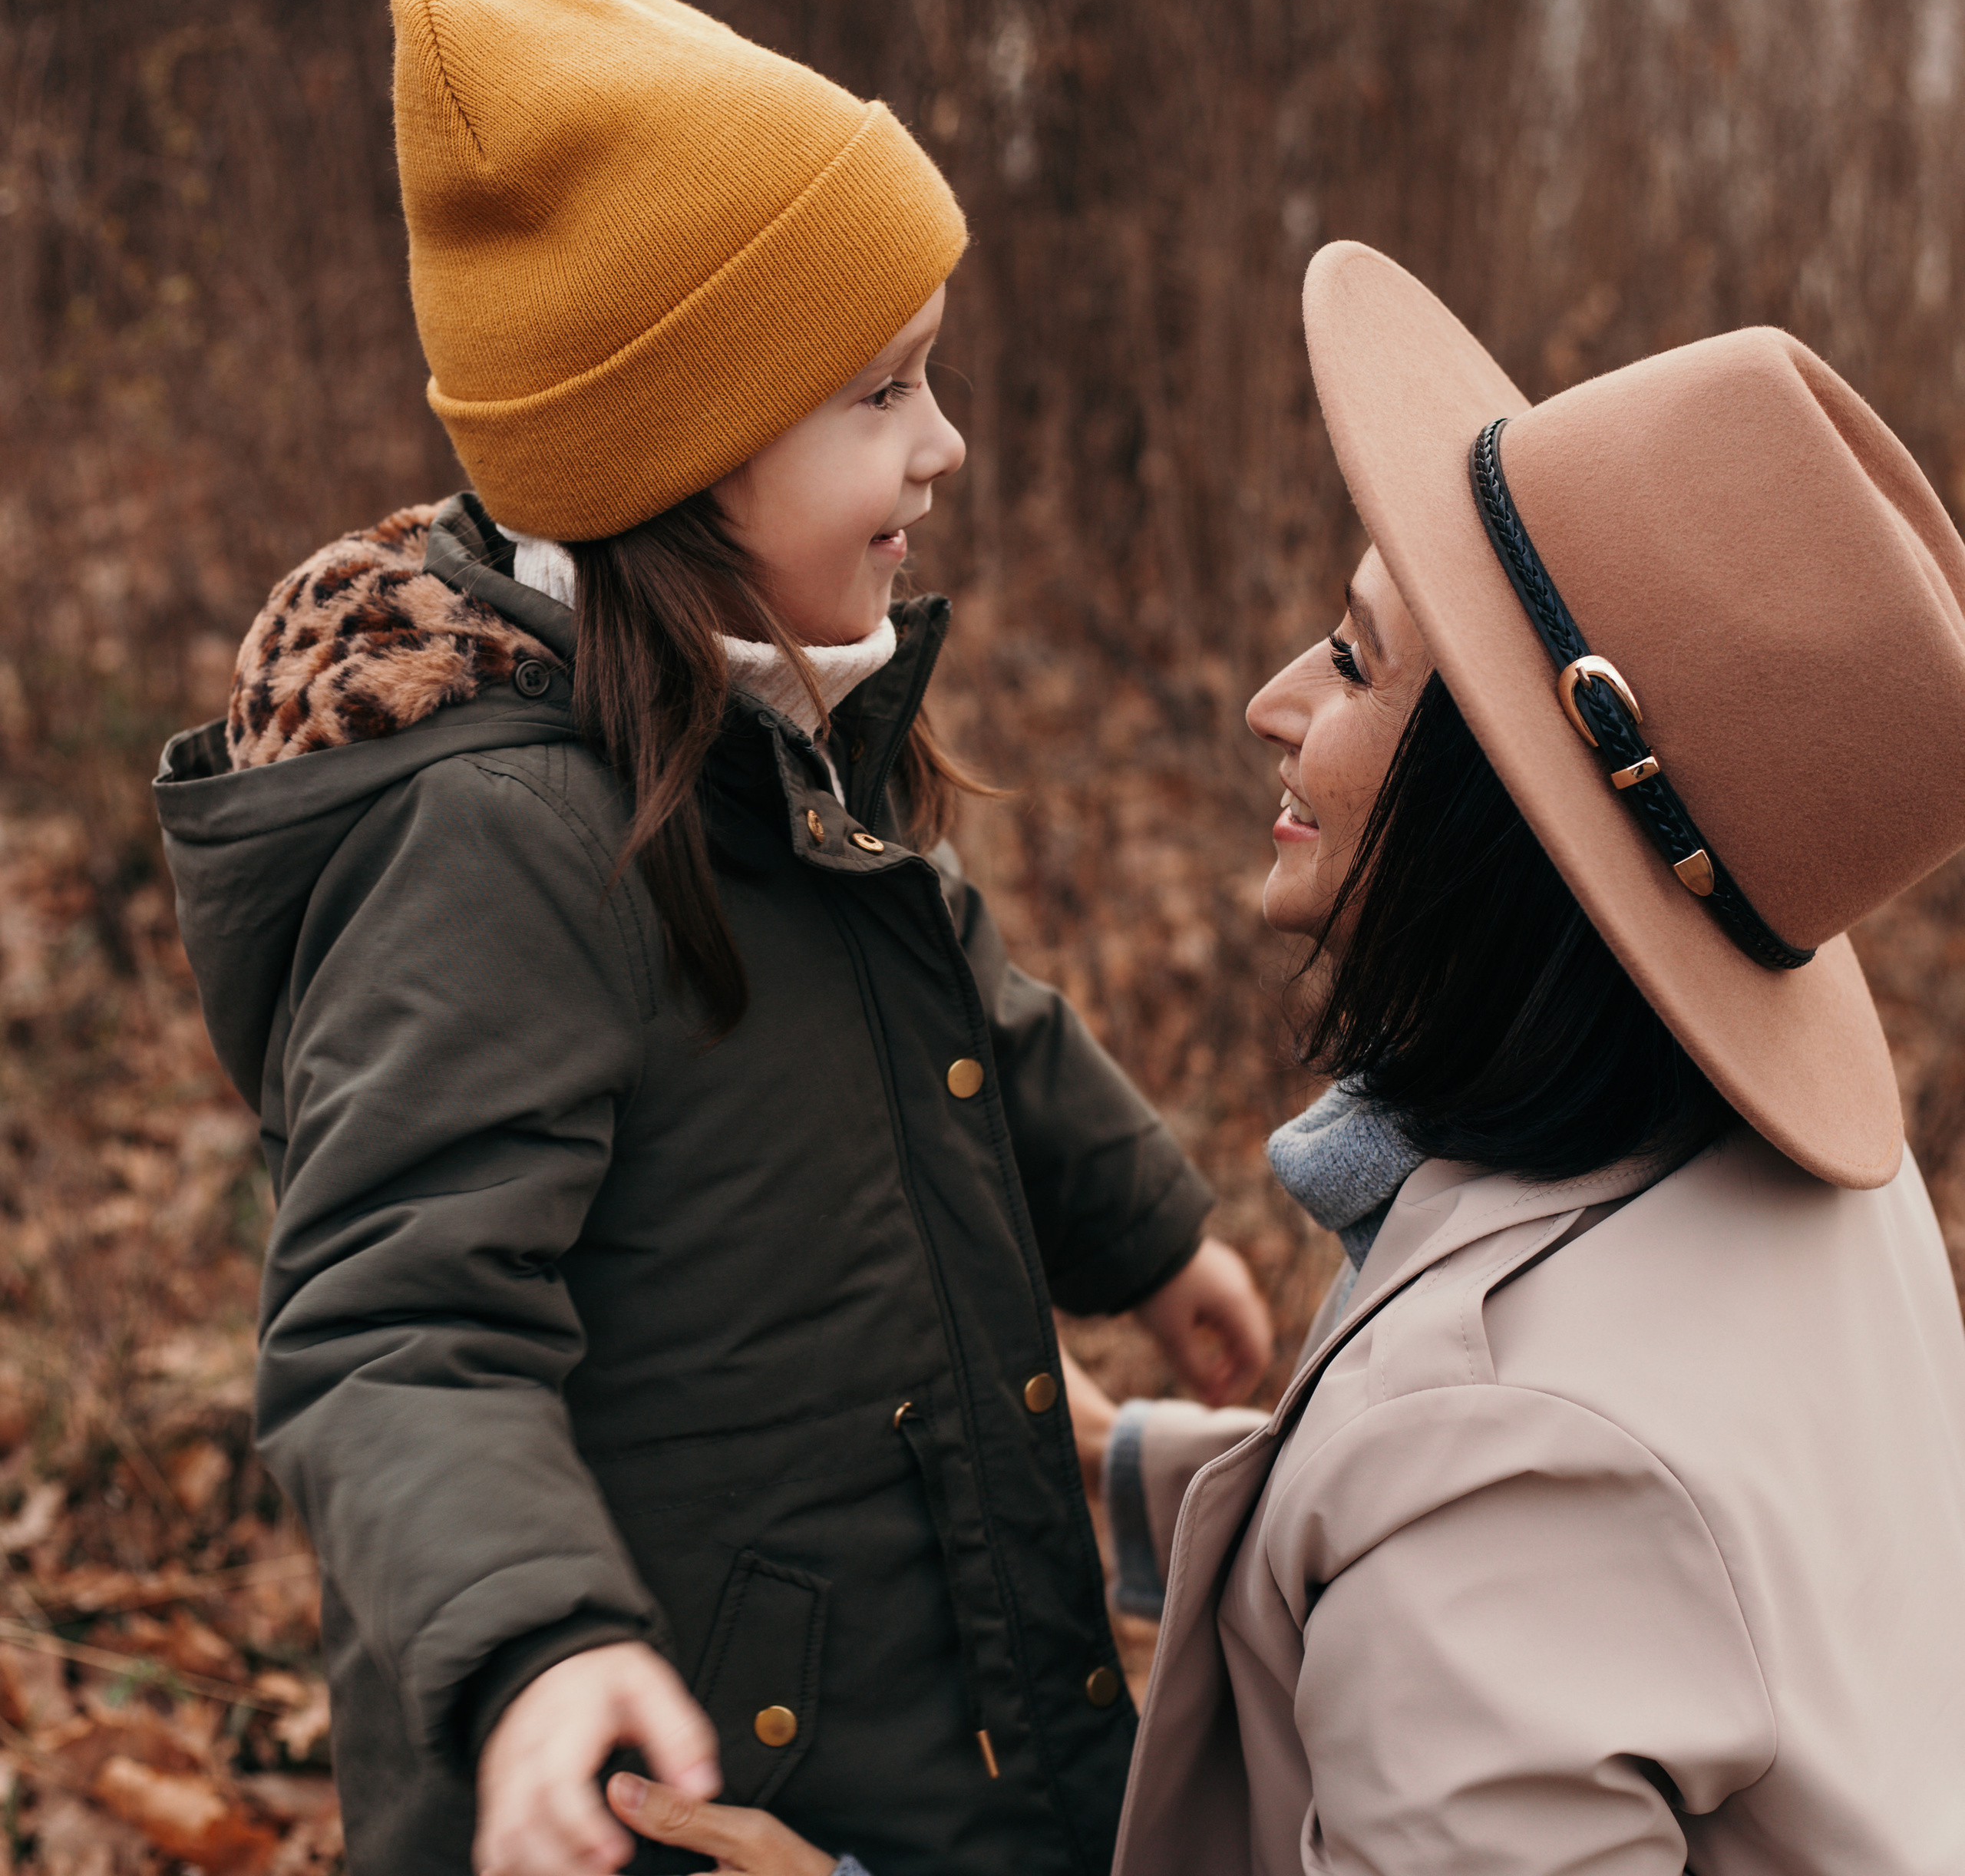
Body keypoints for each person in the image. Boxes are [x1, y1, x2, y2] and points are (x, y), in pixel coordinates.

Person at [151, 0, 1272, 1872]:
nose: (942, 444)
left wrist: (1147, 1223)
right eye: (879, 393)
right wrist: (535, 1641)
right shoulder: (496, 837)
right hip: (674, 1792)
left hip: (936, 1714)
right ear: (671, 451)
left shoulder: (773, 721)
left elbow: (958, 989)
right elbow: (396, 1321)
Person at [642, 243, 1965, 1874]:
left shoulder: (1510, 1468)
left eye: (1352, 660)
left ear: (1503, 807)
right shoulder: (1790, 1195)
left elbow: (1532, 1514)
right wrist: (1130, 1471)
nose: (1273, 702)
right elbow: (1668, 1558)